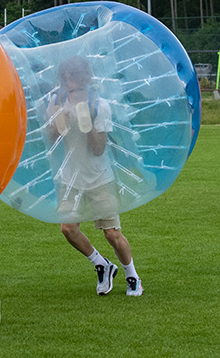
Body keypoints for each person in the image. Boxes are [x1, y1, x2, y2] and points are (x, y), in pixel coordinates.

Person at [48, 56, 143, 297]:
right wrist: (58, 122)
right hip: (71, 178)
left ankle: (132, 275)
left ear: (86, 79)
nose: (71, 87)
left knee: (111, 232)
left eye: (75, 81)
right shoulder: (56, 101)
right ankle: (101, 264)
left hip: (100, 177)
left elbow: (99, 149)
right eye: (66, 81)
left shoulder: (99, 106)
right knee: (68, 228)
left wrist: (87, 124)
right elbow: (52, 140)